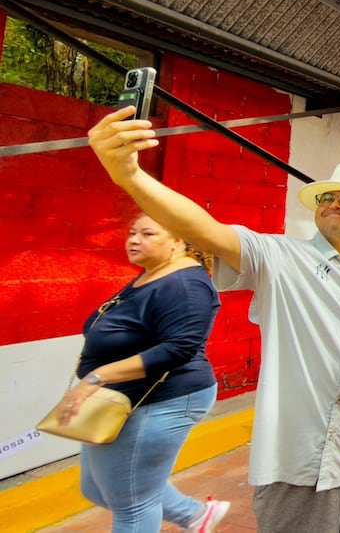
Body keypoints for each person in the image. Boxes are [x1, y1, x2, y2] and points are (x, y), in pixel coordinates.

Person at [87, 107, 340, 533]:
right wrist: (129, 176)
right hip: (298, 457)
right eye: (327, 198)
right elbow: (206, 230)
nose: (334, 204)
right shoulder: (279, 257)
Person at [46, 214, 226, 532]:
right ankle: (195, 514)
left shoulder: (186, 284)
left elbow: (178, 348)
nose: (133, 240)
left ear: (178, 240)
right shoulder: (153, 275)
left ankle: (193, 514)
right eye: (131, 232)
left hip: (164, 397)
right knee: (97, 489)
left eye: (147, 233)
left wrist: (96, 377)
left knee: (132, 504)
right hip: (124, 396)